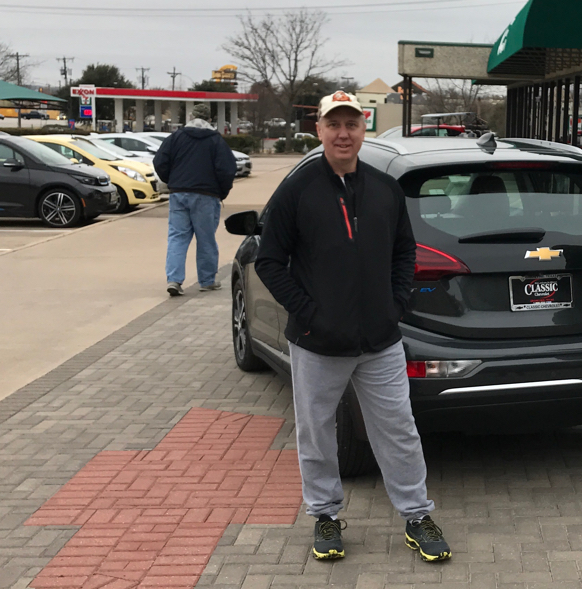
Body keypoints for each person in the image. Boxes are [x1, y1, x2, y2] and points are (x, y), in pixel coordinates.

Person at [254, 91, 451, 563]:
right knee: (317, 433)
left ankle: (416, 515)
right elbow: (268, 260)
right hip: (318, 343)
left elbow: (405, 252)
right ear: (318, 130)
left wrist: (396, 304)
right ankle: (324, 515)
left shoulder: (385, 190)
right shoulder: (298, 190)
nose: (343, 134)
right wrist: (309, 312)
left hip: (380, 340)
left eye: (352, 124)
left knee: (399, 430)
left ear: (364, 129)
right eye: (334, 125)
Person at [153, 102, 237, 297]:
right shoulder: (215, 140)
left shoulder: (176, 137)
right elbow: (227, 169)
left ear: (191, 117)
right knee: (206, 238)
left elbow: (159, 162)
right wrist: (221, 191)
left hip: (178, 193)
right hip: (207, 195)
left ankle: (174, 280)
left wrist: (172, 181)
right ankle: (207, 281)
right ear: (209, 119)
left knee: (177, 237)